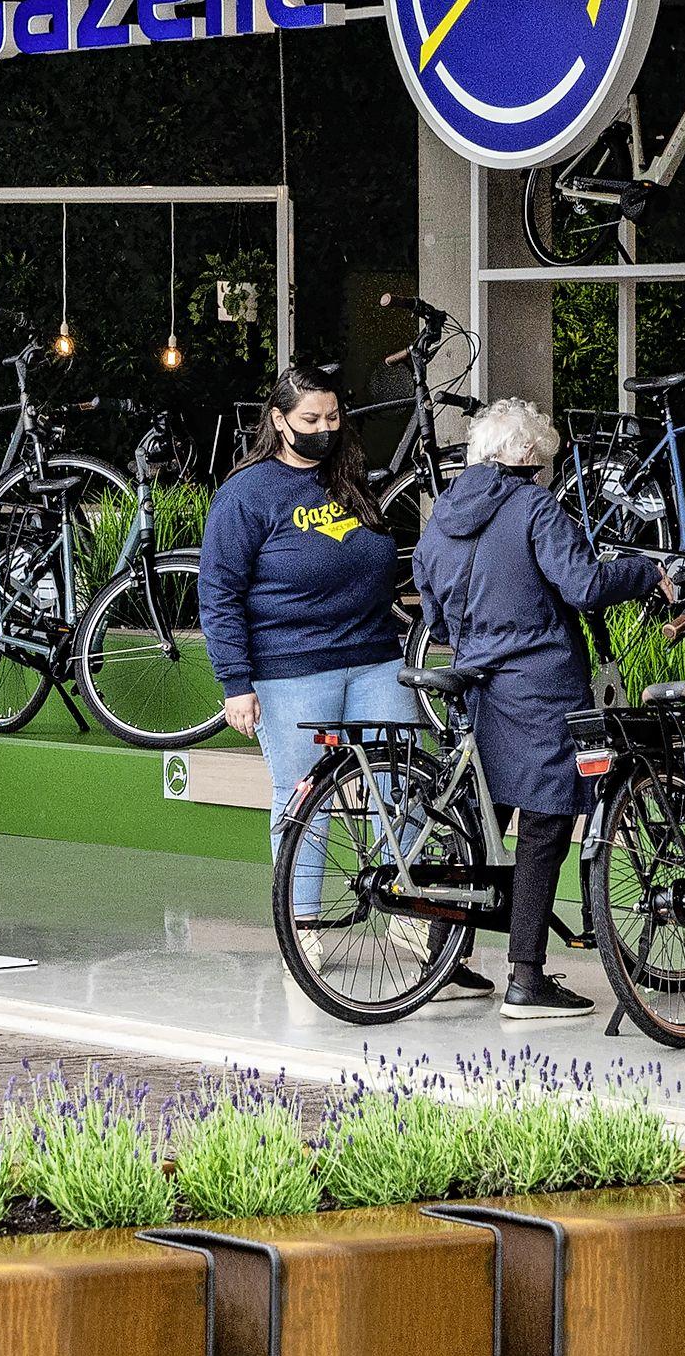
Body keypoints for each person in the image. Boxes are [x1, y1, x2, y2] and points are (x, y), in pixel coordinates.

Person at [204, 366, 491, 996]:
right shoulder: (247, 493)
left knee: (404, 785)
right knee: (304, 797)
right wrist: (235, 683)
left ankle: (411, 913)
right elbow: (218, 593)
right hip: (290, 669)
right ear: (278, 420)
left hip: (375, 657)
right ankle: (301, 925)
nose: (324, 429)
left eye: (332, 418)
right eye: (310, 419)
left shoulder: (349, 480)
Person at [409, 398, 670, 1019]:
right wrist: (644, 572)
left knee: (479, 822)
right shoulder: (534, 507)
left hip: (477, 686)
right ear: (526, 454)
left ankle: (442, 963)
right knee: (546, 822)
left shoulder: (442, 516)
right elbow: (584, 586)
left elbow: (432, 609)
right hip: (541, 687)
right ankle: (526, 978)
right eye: (542, 457)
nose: (544, 468)